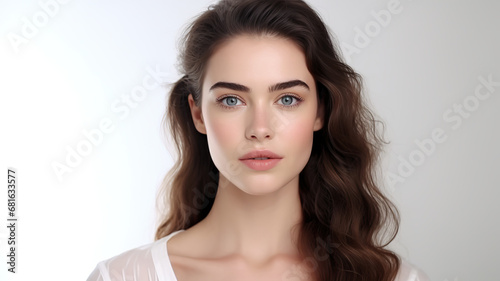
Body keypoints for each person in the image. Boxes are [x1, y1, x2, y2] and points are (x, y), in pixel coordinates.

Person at [87, 0, 430, 280]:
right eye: (232, 100)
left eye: (288, 99)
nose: (260, 129)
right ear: (198, 114)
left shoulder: (394, 278)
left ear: (320, 112)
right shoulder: (122, 276)